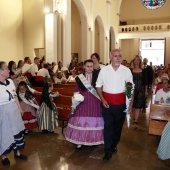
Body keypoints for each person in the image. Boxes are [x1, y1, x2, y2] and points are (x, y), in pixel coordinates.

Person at [96, 49, 133, 162]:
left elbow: (130, 88)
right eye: (115, 56)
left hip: (121, 105)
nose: (118, 58)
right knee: (108, 126)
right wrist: (102, 99)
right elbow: (98, 86)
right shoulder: (104, 70)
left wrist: (130, 104)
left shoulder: (126, 71)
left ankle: (113, 144)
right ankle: (107, 151)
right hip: (107, 104)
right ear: (110, 57)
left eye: (119, 56)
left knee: (117, 127)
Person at [65, 59, 104, 149]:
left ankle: (94, 140)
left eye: (91, 66)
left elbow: (100, 89)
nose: (90, 68)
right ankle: (80, 141)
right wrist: (76, 99)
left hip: (95, 102)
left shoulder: (98, 76)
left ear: (93, 67)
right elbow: (76, 90)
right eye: (88, 66)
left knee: (95, 120)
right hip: (83, 102)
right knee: (81, 120)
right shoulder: (79, 78)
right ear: (84, 67)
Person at [0, 61, 27, 166]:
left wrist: (20, 109)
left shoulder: (10, 82)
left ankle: (17, 152)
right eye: (6, 68)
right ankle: (4, 156)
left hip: (14, 111)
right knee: (4, 133)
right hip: (3, 112)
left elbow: (15, 96)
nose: (9, 70)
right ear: (1, 71)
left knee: (17, 132)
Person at [131, 56, 148, 129]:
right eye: (135, 60)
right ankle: (135, 117)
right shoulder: (130, 70)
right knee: (134, 105)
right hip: (132, 89)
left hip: (141, 88)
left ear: (140, 61)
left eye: (138, 60)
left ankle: (136, 122)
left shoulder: (143, 70)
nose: (136, 61)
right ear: (133, 61)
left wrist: (146, 90)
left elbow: (145, 81)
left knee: (138, 105)